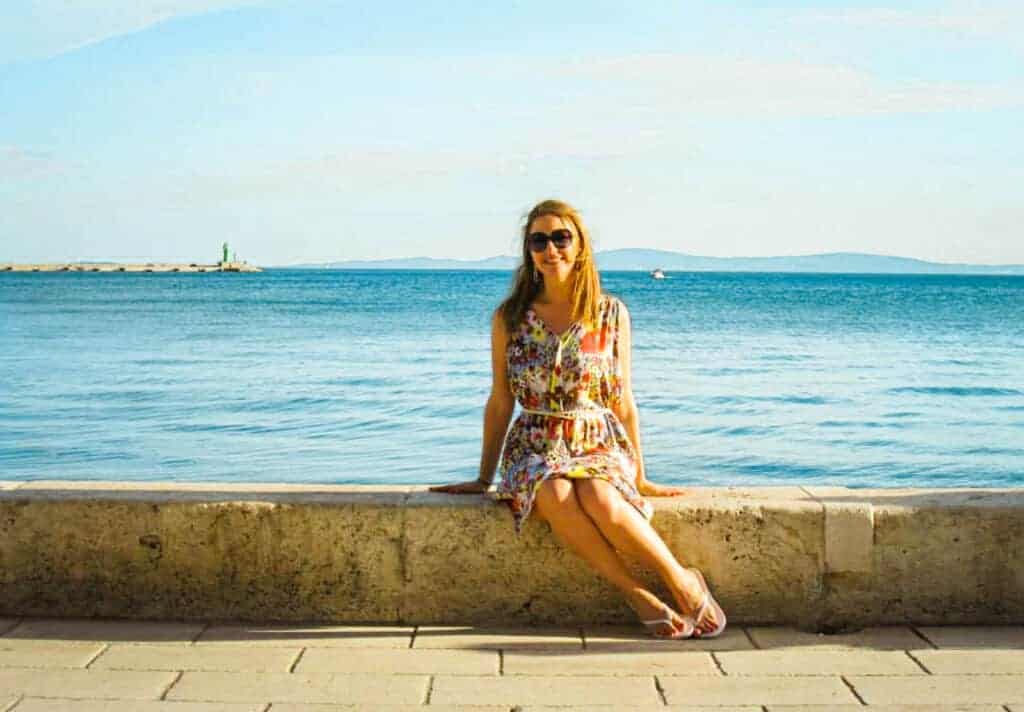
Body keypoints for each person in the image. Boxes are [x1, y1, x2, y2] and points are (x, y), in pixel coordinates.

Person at [430, 199, 725, 640]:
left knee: (602, 501)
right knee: (554, 493)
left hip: (595, 439)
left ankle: (682, 579)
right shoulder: (510, 318)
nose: (551, 249)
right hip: (534, 441)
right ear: (529, 252)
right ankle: (637, 593)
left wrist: (641, 477)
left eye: (561, 237)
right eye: (539, 240)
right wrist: (482, 476)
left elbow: (624, 399)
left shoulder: (610, 314)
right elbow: (500, 400)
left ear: (580, 245)